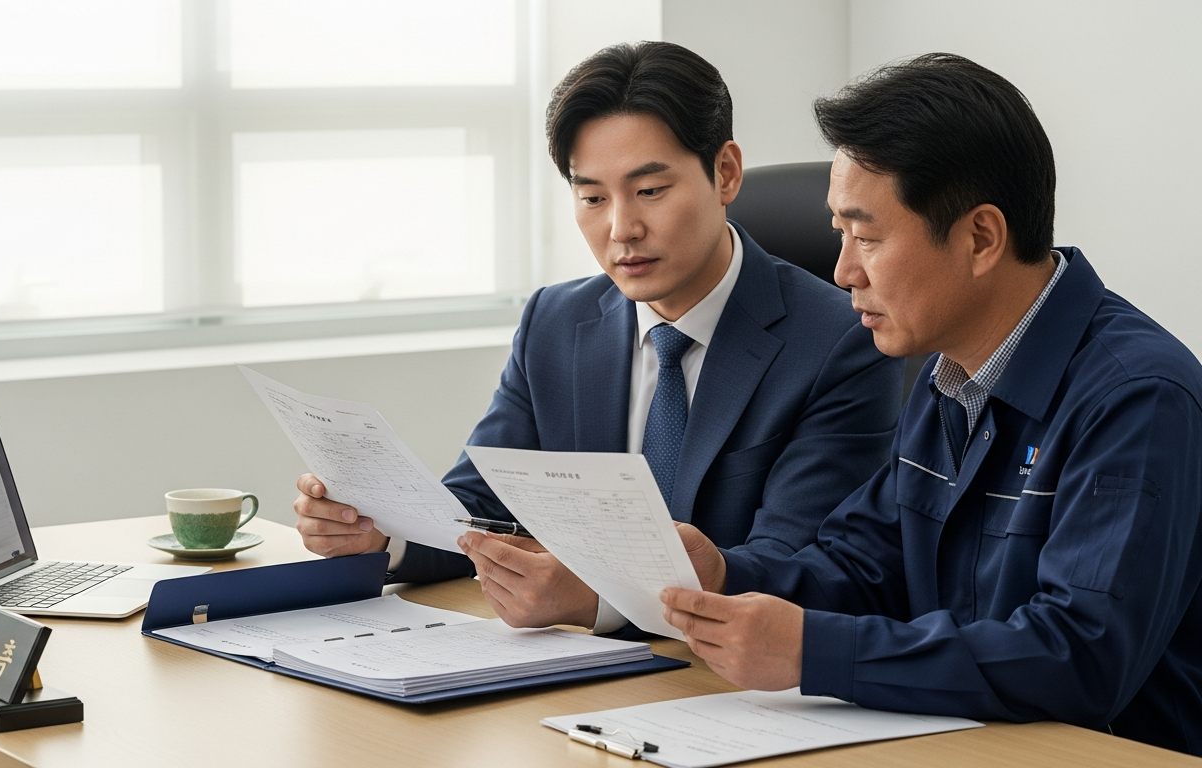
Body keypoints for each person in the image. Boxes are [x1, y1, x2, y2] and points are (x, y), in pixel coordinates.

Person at [659, 53, 1202, 756]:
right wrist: (730, 575)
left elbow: (1077, 657)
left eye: (868, 237)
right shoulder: (950, 371)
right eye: (839, 232)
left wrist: (814, 651)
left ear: (980, 238)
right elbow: (866, 563)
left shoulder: (1136, 398)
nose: (842, 271)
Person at [295, 42, 903, 634]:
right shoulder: (555, 323)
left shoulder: (841, 341)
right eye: (591, 197)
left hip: (733, 690)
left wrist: (600, 601)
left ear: (725, 172)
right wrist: (382, 533)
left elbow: (802, 566)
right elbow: (485, 507)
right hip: (573, 688)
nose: (621, 228)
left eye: (650, 191)